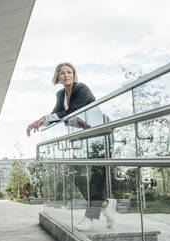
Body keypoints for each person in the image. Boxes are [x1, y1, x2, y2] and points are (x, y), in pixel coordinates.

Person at [26, 62, 116, 231]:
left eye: (69, 72)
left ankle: (89, 219)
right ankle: (105, 205)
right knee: (76, 172)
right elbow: (56, 115)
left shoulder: (82, 89)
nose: (66, 75)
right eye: (62, 73)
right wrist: (39, 121)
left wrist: (45, 118)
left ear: (74, 75)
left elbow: (71, 112)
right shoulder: (61, 94)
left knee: (96, 180)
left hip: (101, 136)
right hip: (84, 140)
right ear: (57, 77)